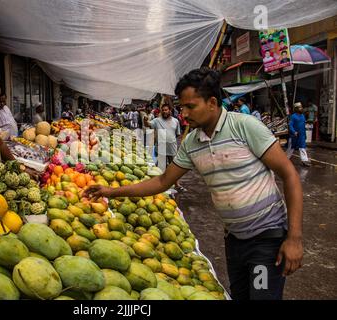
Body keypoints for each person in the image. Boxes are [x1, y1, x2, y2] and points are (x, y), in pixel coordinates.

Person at [85, 67, 303, 301]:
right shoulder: (191, 143)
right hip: (234, 241)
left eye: (190, 106)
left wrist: (294, 237)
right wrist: (112, 192)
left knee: (261, 296)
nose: (184, 114)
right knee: (240, 296)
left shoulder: (244, 126)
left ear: (211, 102)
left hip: (265, 240)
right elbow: (162, 181)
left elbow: (289, 174)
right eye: (181, 107)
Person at [144, 103, 181, 168]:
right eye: (163, 110)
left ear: (170, 110)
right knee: (161, 167)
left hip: (171, 148)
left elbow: (177, 134)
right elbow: (148, 124)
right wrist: (145, 120)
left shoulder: (176, 121)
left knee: (172, 166)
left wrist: (169, 140)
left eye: (166, 110)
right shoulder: (157, 120)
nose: (164, 111)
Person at [287, 102, 311, 167]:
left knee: (302, 147)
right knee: (291, 148)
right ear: (296, 109)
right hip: (295, 135)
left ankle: (304, 160)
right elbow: (290, 125)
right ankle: (286, 159)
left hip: (302, 135)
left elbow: (303, 126)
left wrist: (305, 135)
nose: (301, 108)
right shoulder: (293, 116)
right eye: (300, 107)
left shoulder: (303, 116)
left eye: (301, 107)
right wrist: (294, 132)